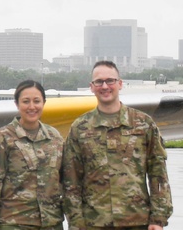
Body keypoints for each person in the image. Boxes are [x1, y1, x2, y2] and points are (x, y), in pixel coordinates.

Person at [62, 60, 173, 230]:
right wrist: (76, 223)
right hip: (94, 223)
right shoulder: (80, 128)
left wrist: (158, 219)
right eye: (99, 82)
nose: (105, 86)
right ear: (91, 87)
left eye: (110, 81)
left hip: (137, 221)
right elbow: (71, 181)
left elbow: (158, 175)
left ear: (120, 84)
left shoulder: (143, 124)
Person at [0, 80, 65, 230]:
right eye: (26, 101)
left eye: (37, 101)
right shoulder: (2, 138)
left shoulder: (54, 137)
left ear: (44, 102)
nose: (32, 107)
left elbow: (64, 181)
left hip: (51, 224)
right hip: (14, 224)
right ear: (17, 104)